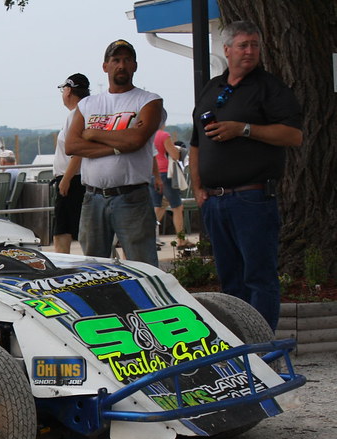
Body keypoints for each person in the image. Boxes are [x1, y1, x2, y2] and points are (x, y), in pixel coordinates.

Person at [189, 20, 302, 331]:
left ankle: (263, 348)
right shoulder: (213, 88)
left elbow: (293, 136)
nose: (250, 51)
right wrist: (198, 189)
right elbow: (196, 141)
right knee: (230, 280)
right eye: (243, 45)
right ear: (227, 50)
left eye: (254, 45)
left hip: (252, 198)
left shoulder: (270, 88)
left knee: (259, 277)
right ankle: (238, 346)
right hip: (214, 201)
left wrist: (244, 128)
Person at [66, 39, 163, 266]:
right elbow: (72, 146)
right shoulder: (88, 104)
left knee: (144, 267)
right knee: (93, 268)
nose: (121, 65)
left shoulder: (149, 100)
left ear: (135, 66)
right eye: (116, 60)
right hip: (92, 198)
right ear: (105, 66)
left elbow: (137, 140)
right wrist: (119, 146)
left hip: (132, 198)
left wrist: (91, 133)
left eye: (127, 60)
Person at [52, 73, 90, 254]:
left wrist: (65, 179)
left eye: (63, 89)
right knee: (68, 231)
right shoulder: (80, 114)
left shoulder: (76, 115)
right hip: (74, 178)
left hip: (72, 179)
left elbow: (77, 151)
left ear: (69, 91)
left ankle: (62, 271)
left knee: (62, 233)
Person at [148, 114, 184, 235]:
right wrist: (178, 150)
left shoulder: (147, 135)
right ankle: (181, 239)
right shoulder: (164, 135)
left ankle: (149, 235)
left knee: (157, 206)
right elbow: (174, 155)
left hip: (150, 173)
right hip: (164, 172)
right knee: (177, 207)